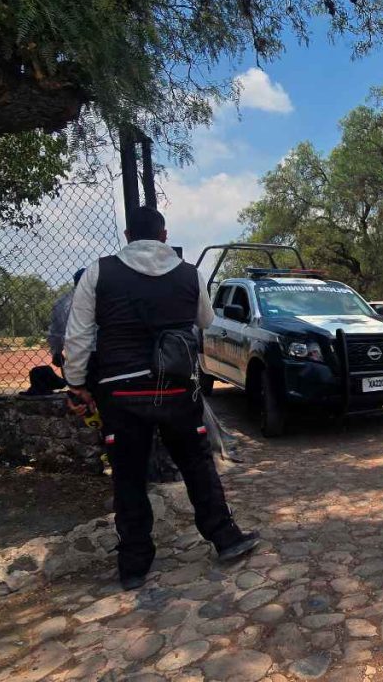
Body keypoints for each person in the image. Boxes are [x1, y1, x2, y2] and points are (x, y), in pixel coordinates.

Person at [64, 206, 258, 590]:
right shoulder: (189, 274)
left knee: (129, 476)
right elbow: (206, 322)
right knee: (197, 465)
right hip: (176, 388)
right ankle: (226, 538)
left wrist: (76, 384)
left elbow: (79, 336)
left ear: (127, 235)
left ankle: (134, 565)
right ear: (164, 236)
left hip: (119, 391)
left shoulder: (98, 273)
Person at [47, 268, 85, 368]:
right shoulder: (99, 298)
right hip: (98, 350)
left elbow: (55, 332)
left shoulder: (61, 302)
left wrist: (56, 352)